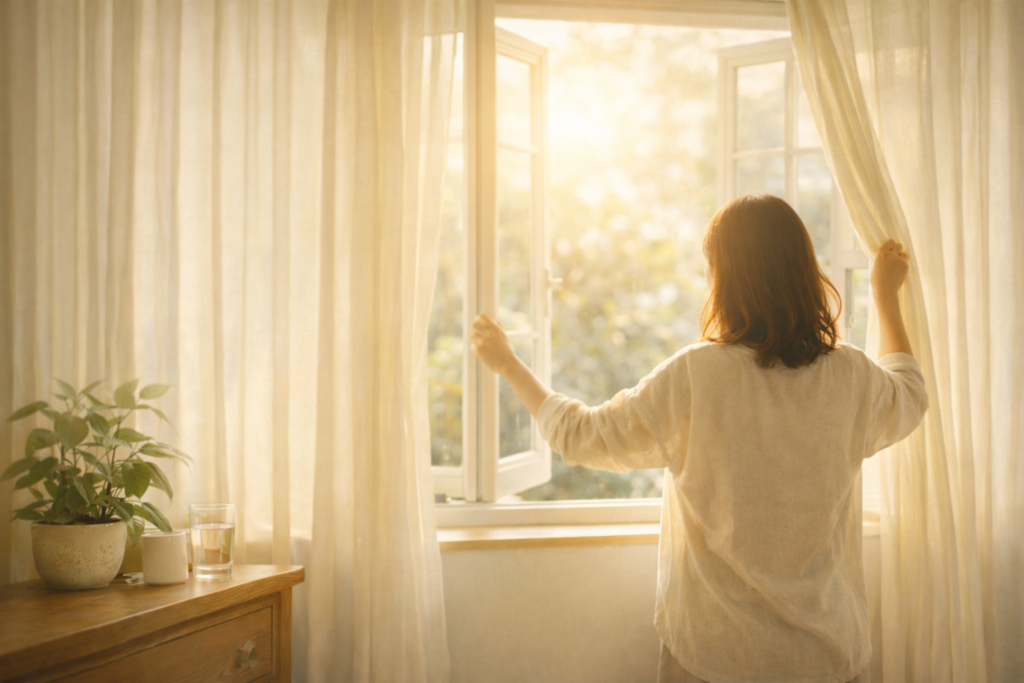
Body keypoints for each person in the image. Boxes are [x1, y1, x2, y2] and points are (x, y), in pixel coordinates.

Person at [470, 194, 928, 683]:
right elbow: (910, 395)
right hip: (825, 659)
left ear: (726, 279)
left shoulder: (697, 376)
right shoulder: (850, 376)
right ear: (803, 271)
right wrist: (885, 298)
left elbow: (582, 435)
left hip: (716, 660)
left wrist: (508, 365)